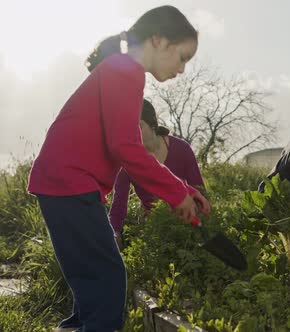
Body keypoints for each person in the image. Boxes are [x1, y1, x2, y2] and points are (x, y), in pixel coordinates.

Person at [27, 6, 210, 331]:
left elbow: (125, 146)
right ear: (159, 41)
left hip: (63, 182)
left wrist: (184, 189)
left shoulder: (120, 69)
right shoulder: (126, 70)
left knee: (92, 284)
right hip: (70, 181)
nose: (182, 69)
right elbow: (125, 147)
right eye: (182, 57)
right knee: (109, 280)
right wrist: (175, 192)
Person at [109, 99, 205, 249]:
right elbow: (119, 204)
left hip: (185, 222)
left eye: (139, 126)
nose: (133, 133)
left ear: (152, 123)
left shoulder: (182, 149)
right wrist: (114, 233)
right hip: (153, 226)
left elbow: (199, 190)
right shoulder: (127, 161)